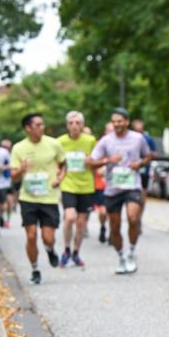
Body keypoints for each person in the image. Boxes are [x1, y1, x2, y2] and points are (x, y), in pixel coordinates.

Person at [89, 109, 151, 274]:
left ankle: (131, 251)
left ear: (127, 121)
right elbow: (90, 162)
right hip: (113, 188)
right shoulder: (106, 141)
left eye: (119, 121)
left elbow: (148, 156)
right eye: (114, 121)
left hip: (133, 186)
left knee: (132, 218)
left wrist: (139, 164)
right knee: (114, 227)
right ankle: (121, 256)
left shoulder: (138, 138)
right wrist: (108, 160)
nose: (116, 124)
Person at [10, 113, 67, 285]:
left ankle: (50, 249)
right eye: (38, 125)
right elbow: (13, 176)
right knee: (32, 235)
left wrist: (59, 178)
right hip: (28, 198)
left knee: (48, 237)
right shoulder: (18, 148)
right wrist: (21, 168)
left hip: (49, 197)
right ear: (28, 128)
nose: (42, 127)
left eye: (43, 124)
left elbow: (64, 164)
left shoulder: (53, 144)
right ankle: (35, 269)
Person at [57, 111, 97, 267]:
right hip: (68, 184)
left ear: (82, 125)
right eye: (71, 123)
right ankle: (66, 249)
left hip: (86, 186)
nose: (74, 126)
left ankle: (75, 252)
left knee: (81, 223)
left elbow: (97, 160)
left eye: (77, 123)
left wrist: (91, 162)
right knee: (69, 217)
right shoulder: (60, 142)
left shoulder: (90, 140)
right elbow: (57, 163)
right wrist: (57, 176)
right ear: (67, 125)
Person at [131, 119, 158, 206]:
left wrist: (148, 155)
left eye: (140, 130)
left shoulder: (148, 139)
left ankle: (139, 214)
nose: (138, 133)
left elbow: (155, 154)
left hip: (144, 170)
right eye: (136, 131)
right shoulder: (129, 138)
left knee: (143, 191)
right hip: (131, 170)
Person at [1, 138, 18, 225]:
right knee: (1, 203)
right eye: (4, 147)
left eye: (7, 147)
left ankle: (7, 220)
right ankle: (0, 217)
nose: (6, 148)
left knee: (9, 201)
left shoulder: (13, 156)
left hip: (9, 182)